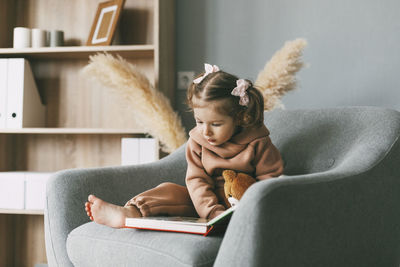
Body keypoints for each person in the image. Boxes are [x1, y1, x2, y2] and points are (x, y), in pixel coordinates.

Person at [85, 63, 284, 228]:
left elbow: (270, 182)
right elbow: (197, 182)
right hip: (204, 204)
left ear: (238, 118)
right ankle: (130, 213)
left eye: (215, 124)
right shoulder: (198, 142)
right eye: (199, 122)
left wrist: (245, 210)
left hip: (241, 207)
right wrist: (212, 212)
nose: (206, 132)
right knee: (168, 189)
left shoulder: (258, 143)